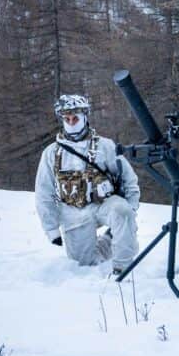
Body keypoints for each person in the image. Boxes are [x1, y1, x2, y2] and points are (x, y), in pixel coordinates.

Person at [35, 94, 140, 274]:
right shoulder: (51, 153)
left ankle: (123, 268)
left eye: (75, 118)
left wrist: (130, 210)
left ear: (85, 117)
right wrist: (51, 229)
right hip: (73, 212)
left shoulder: (105, 146)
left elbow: (129, 180)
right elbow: (44, 193)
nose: (71, 122)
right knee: (83, 265)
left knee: (122, 213)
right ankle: (108, 241)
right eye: (67, 118)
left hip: (104, 204)